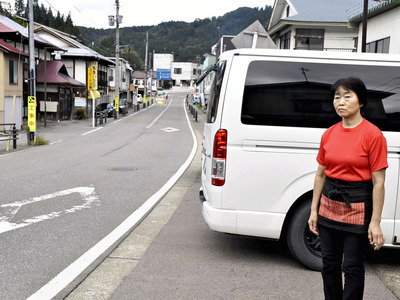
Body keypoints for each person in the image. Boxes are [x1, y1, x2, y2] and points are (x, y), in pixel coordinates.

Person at [308, 76, 388, 300]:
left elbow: (378, 182)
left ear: (361, 101)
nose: (340, 102)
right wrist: (313, 211)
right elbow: (320, 174)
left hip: (358, 204)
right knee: (329, 265)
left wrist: (375, 222)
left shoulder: (373, 135)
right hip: (328, 204)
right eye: (336, 97)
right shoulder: (329, 133)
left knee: (352, 267)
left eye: (347, 96)